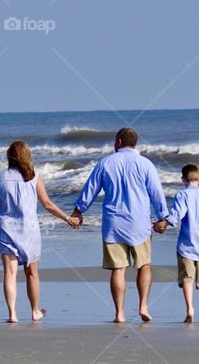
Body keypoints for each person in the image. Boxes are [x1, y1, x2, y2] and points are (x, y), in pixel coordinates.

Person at [0, 141, 77, 322]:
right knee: (31, 272)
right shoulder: (34, 177)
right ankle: (35, 311)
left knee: (9, 273)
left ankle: (12, 314)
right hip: (29, 230)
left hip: (6, 229)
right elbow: (47, 204)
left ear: (10, 157)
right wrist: (67, 218)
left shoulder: (0, 177)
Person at [71, 127, 168, 323]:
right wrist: (163, 217)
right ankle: (143, 306)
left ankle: (120, 314)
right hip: (140, 223)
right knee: (144, 265)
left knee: (119, 269)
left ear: (119, 142)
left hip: (114, 224)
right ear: (135, 143)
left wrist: (78, 211)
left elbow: (90, 189)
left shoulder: (105, 163)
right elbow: (156, 193)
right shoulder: (146, 164)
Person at [152, 163, 199, 323]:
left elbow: (177, 214)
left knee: (187, 278)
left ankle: (189, 309)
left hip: (185, 244)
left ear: (183, 179)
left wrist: (163, 223)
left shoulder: (183, 195)